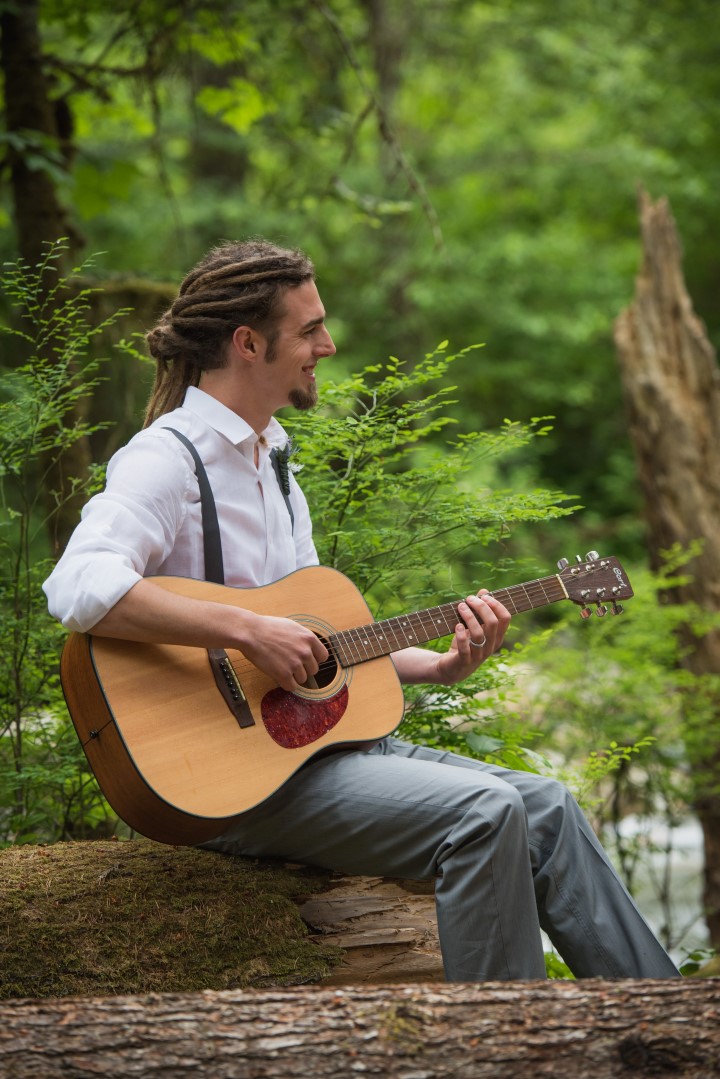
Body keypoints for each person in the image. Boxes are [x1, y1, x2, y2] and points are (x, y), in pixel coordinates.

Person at [43, 239, 679, 981]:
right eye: (310, 328)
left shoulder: (273, 461)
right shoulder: (167, 458)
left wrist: (439, 665)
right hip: (224, 782)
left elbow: (325, 644)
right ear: (249, 343)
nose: (328, 344)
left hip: (316, 751)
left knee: (550, 807)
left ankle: (670, 1020)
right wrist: (246, 628)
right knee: (486, 812)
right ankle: (503, 1042)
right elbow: (78, 585)